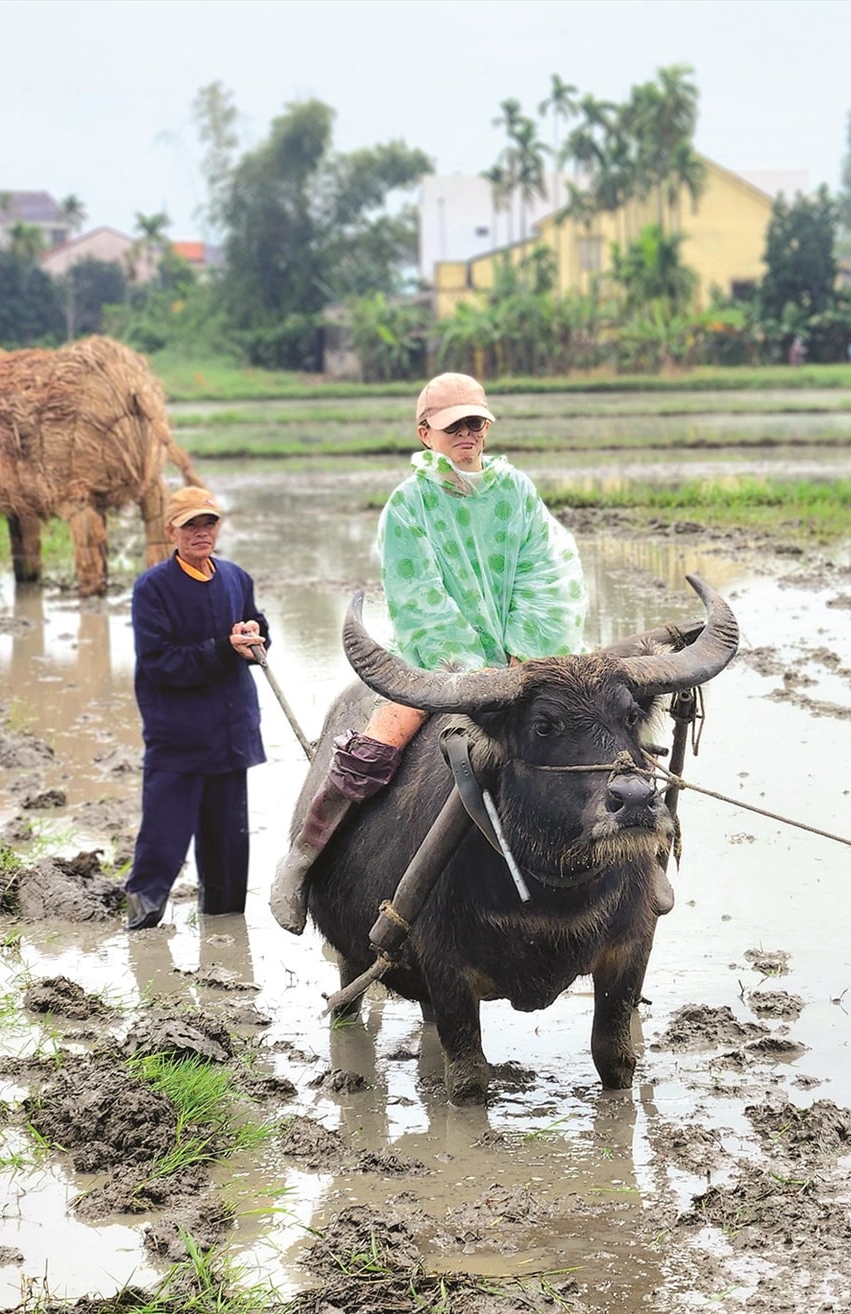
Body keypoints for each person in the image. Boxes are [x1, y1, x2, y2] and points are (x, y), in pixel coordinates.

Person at [269, 372, 586, 933]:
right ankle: (303, 860)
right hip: (437, 658)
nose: (466, 434)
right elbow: (417, 596)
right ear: (425, 434)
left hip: (525, 657)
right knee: (375, 748)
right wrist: (466, 668)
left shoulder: (516, 491)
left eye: (474, 423)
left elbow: (548, 573)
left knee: (598, 732)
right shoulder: (409, 505)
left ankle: (632, 872)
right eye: (452, 425)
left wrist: (525, 653)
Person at [125, 485, 269, 931]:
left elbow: (258, 629)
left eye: (208, 523)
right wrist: (225, 649)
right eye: (191, 525)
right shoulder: (152, 589)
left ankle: (224, 926)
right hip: (179, 735)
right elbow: (160, 662)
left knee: (228, 842)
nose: (201, 532)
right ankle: (142, 919)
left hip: (231, 731)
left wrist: (254, 635)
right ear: (172, 530)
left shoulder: (235, 578)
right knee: (164, 837)